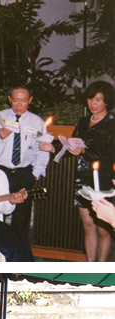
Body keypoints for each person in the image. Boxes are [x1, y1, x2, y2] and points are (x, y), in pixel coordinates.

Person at [0, 84, 54, 238]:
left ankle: (17, 254)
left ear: (30, 100)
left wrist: (35, 174)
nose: (19, 105)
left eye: (23, 100)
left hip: (24, 173)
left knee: (22, 216)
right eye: (15, 100)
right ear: (9, 99)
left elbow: (43, 150)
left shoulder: (37, 122)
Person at [67, 80, 115, 262]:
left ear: (107, 102)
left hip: (104, 179)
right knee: (88, 226)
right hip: (83, 179)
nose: (93, 103)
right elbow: (74, 144)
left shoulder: (112, 123)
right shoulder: (83, 121)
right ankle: (89, 266)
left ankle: (100, 269)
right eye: (90, 99)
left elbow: (111, 153)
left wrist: (85, 151)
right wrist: (55, 147)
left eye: (98, 100)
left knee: (103, 227)